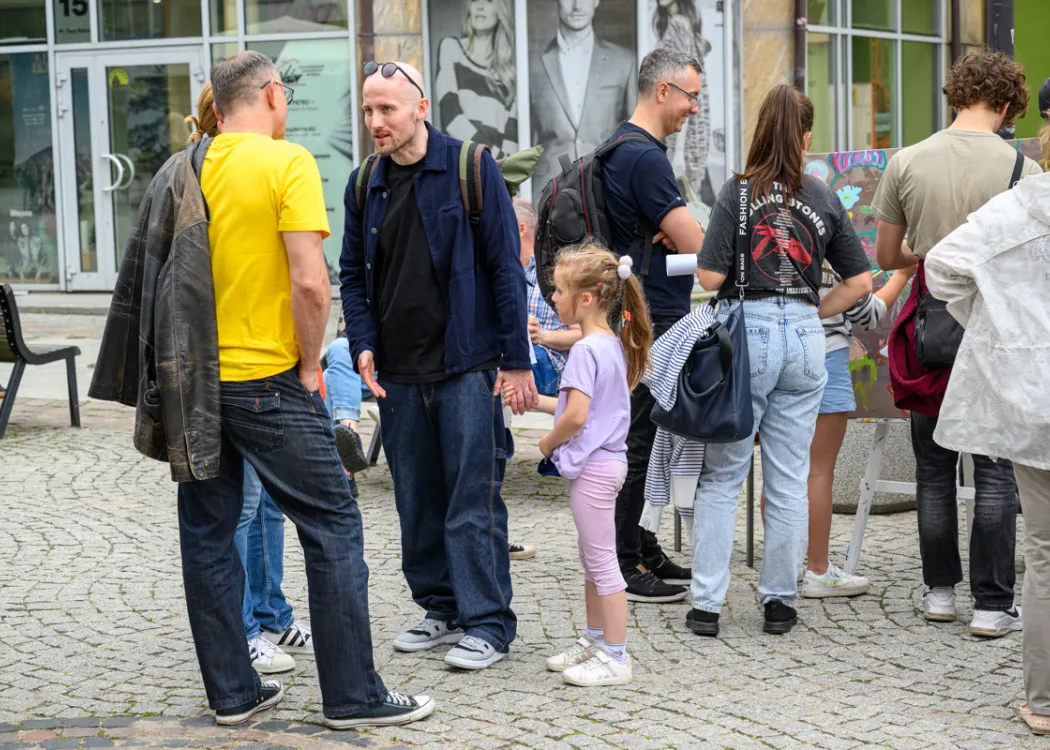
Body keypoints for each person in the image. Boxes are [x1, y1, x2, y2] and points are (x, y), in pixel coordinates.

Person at [182, 51, 434, 727]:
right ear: (270, 94)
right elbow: (310, 281)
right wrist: (309, 365)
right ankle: (354, 695)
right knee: (332, 524)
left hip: (201, 386)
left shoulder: (189, 166)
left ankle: (233, 693)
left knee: (208, 536)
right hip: (268, 378)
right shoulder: (285, 162)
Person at [341, 60, 536, 670]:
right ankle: (441, 608)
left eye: (387, 109)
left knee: (471, 500)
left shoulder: (471, 168)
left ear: (420, 107)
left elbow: (507, 268)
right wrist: (362, 343)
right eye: (369, 110)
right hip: (398, 375)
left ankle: (489, 624)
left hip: (468, 367)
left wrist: (516, 361)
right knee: (417, 501)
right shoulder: (362, 184)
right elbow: (351, 275)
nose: (376, 121)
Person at [690, 84, 872, 637]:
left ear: (761, 130)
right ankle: (779, 603)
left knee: (724, 475)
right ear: (807, 137)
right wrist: (815, 310)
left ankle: (707, 605)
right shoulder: (822, 196)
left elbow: (710, 278)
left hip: (748, 333)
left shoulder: (738, 192)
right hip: (804, 336)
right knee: (790, 478)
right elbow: (862, 281)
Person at [872, 50, 1040, 636]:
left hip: (929, 329)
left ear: (956, 94)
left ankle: (940, 591)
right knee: (995, 471)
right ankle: (993, 605)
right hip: (996, 330)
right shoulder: (1025, 170)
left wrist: (937, 252)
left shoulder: (907, 160)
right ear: (1006, 103)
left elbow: (887, 258)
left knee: (933, 467)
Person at [923, 120, 1050, 737]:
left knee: (1046, 554)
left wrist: (1001, 326)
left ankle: (1046, 702)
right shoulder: (1015, 204)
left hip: (1035, 400)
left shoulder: (1018, 207)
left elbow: (940, 269)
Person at [600, 48, 707, 603]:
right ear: (662, 90)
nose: (694, 107)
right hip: (647, 319)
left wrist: (683, 236)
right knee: (639, 440)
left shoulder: (627, 149)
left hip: (645, 310)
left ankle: (641, 546)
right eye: (690, 94)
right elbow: (700, 247)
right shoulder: (644, 158)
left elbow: (684, 243)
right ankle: (624, 563)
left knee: (650, 436)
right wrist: (692, 235)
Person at [528, 247, 652, 686]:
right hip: (606, 464)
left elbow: (576, 417)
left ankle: (616, 655)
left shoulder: (584, 350)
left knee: (602, 563)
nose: (553, 298)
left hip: (595, 469)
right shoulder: (608, 345)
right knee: (592, 559)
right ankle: (598, 640)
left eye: (559, 291)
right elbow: (581, 408)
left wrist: (546, 443)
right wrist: (539, 404)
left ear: (585, 299)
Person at [799, 262, 915, 598]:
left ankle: (782, 565)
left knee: (782, 468)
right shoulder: (830, 234)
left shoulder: (765, 229)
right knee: (818, 473)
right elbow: (870, 313)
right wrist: (902, 274)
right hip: (825, 355)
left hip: (774, 354)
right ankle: (818, 570)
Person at [529, 0, 636, 193]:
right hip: (547, 191)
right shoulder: (531, 65)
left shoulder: (624, 62)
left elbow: (635, 134)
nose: (577, 5)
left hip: (607, 187)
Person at [514, 198, 581, 396]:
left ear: (520, 228)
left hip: (548, 362)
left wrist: (541, 336)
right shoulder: (504, 271)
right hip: (516, 353)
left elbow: (584, 333)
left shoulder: (552, 272)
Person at [435, 0, 517, 158]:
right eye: (474, 1)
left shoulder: (510, 70)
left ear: (500, 10)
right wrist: (488, 157)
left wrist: (499, 170)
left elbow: (512, 140)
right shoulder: (451, 49)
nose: (480, 6)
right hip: (459, 167)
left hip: (495, 171)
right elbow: (451, 116)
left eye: (488, 1)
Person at [653, 0, 713, 207]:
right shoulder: (678, 23)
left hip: (684, 135)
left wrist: (678, 153)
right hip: (687, 131)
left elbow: (685, 90)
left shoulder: (679, 24)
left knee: (681, 205)